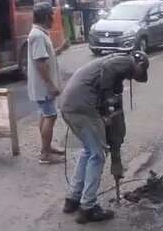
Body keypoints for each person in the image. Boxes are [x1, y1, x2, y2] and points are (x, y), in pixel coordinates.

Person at [60, 51, 149, 224]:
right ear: (139, 65)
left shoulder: (113, 68)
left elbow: (116, 113)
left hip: (69, 104)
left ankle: (72, 199)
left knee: (89, 151)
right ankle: (88, 207)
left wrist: (116, 156)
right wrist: (108, 100)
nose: (134, 77)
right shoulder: (126, 61)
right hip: (82, 106)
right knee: (98, 154)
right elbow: (108, 72)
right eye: (138, 73)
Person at [27, 3, 68, 164]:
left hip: (42, 86)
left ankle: (48, 147)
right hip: (44, 87)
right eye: (51, 15)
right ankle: (45, 153)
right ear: (45, 17)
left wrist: (61, 49)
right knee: (50, 115)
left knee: (45, 115)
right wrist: (50, 85)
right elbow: (40, 63)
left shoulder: (40, 34)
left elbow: (46, 57)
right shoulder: (37, 35)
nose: (52, 19)